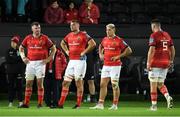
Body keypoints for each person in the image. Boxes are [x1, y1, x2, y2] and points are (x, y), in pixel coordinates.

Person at [90, 23, 132, 110]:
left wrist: (118, 56)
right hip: (106, 65)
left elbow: (129, 50)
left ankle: (115, 105)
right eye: (106, 30)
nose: (107, 31)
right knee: (102, 84)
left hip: (115, 66)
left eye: (109, 30)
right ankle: (100, 104)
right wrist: (101, 54)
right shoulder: (104, 39)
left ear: (114, 30)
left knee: (114, 85)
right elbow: (101, 46)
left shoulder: (119, 40)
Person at [58, 20, 96, 109]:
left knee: (78, 82)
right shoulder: (69, 35)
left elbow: (93, 44)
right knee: (65, 82)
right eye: (71, 25)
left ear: (78, 25)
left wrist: (84, 52)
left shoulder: (83, 34)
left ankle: (78, 104)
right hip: (71, 61)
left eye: (74, 25)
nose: (72, 26)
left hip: (80, 61)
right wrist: (67, 51)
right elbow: (62, 43)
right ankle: (60, 104)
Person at [19, 22, 56, 108]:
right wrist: (23, 57)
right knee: (28, 83)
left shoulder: (45, 38)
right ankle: (26, 103)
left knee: (39, 83)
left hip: (40, 63)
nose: (37, 30)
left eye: (39, 28)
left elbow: (53, 48)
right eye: (36, 28)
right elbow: (21, 48)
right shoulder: (28, 38)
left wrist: (49, 59)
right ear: (32, 29)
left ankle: (40, 103)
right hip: (30, 63)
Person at [146, 19, 175, 111]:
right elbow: (173, 49)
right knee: (160, 84)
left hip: (155, 63)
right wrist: (171, 61)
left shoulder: (153, 35)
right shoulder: (167, 35)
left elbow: (151, 50)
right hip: (165, 63)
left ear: (154, 26)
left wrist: (148, 62)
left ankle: (154, 106)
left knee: (153, 84)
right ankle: (168, 97)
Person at [44, 41, 67, 108]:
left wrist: (60, 71)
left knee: (55, 89)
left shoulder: (60, 53)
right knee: (47, 89)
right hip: (47, 73)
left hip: (56, 74)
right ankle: (48, 103)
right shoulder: (46, 52)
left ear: (55, 45)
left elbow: (64, 63)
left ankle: (55, 103)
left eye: (52, 45)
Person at [5, 35, 25, 107]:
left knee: (19, 87)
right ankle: (10, 102)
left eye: (14, 42)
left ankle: (20, 102)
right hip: (10, 72)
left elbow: (22, 59)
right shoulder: (8, 51)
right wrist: (17, 59)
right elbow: (8, 60)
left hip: (19, 72)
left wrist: (14, 58)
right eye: (12, 42)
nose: (12, 43)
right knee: (11, 87)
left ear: (17, 43)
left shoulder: (20, 50)